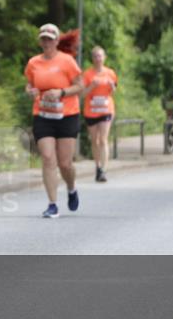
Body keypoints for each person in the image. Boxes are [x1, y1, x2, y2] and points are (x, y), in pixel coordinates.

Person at [24, 23, 84, 217]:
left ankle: (72, 188)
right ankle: (52, 204)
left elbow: (80, 86)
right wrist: (30, 91)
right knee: (48, 158)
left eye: (50, 38)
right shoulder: (33, 63)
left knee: (65, 163)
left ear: (57, 41)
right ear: (40, 41)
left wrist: (61, 92)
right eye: (44, 38)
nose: (47, 42)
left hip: (67, 114)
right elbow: (29, 85)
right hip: (43, 115)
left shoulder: (67, 61)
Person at [82, 46, 117, 182]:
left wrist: (112, 86)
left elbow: (113, 91)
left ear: (104, 57)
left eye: (100, 56)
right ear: (92, 58)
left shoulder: (110, 73)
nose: (98, 58)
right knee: (95, 141)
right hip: (91, 110)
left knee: (103, 139)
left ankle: (103, 170)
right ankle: (97, 166)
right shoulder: (87, 74)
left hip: (106, 109)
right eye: (95, 56)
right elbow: (82, 94)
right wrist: (92, 86)